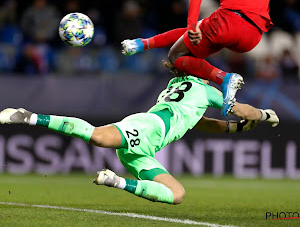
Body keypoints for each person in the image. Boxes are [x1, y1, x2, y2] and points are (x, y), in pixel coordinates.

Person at [0, 65, 279, 205]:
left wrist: (234, 128)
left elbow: (200, 122)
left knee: (177, 194)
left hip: (144, 148)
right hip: (150, 128)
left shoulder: (177, 85)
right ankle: (30, 116)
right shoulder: (205, 90)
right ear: (200, 73)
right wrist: (265, 115)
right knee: (98, 136)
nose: (210, 75)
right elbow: (243, 110)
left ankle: (117, 181)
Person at [121, 0, 272, 116]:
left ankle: (224, 78)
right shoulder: (210, 95)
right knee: (197, 30)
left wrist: (191, 23)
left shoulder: (199, 94)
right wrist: (265, 116)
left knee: (176, 55)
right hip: (254, 35)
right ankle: (142, 43)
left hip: (231, 21)